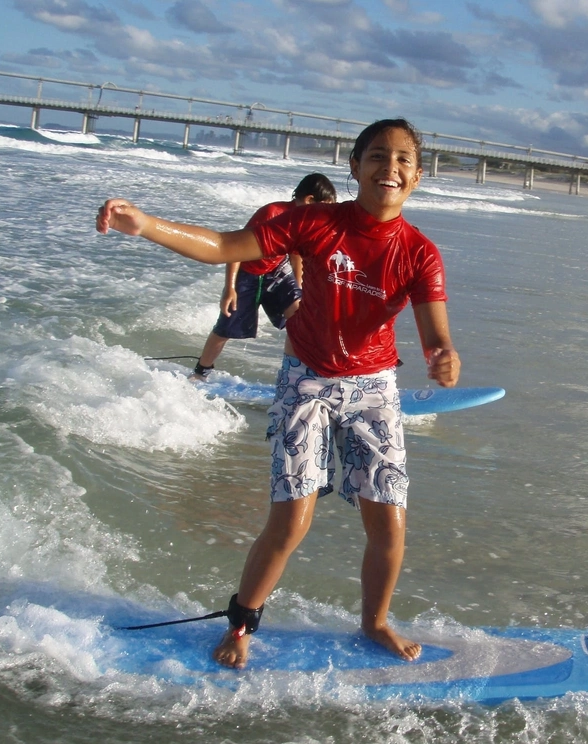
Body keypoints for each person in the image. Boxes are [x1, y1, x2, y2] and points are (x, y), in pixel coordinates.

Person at [96, 118, 461, 668]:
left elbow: (436, 334)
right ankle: (242, 621)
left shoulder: (419, 253)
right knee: (291, 519)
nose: (391, 166)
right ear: (356, 166)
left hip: (373, 387)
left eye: (404, 159)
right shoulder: (314, 223)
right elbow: (224, 246)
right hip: (306, 379)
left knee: (389, 521)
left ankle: (376, 622)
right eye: (378, 155)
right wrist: (146, 224)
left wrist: (442, 357)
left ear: (417, 176)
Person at [192, 173, 337, 379]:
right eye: (324, 207)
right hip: (248, 273)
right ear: (309, 201)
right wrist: (230, 288)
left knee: (299, 317)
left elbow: (296, 255)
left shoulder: (304, 220)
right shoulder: (272, 213)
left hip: (276, 270)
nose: (325, 214)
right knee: (225, 329)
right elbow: (235, 249)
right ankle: (201, 372)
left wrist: (300, 289)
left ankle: (299, 373)